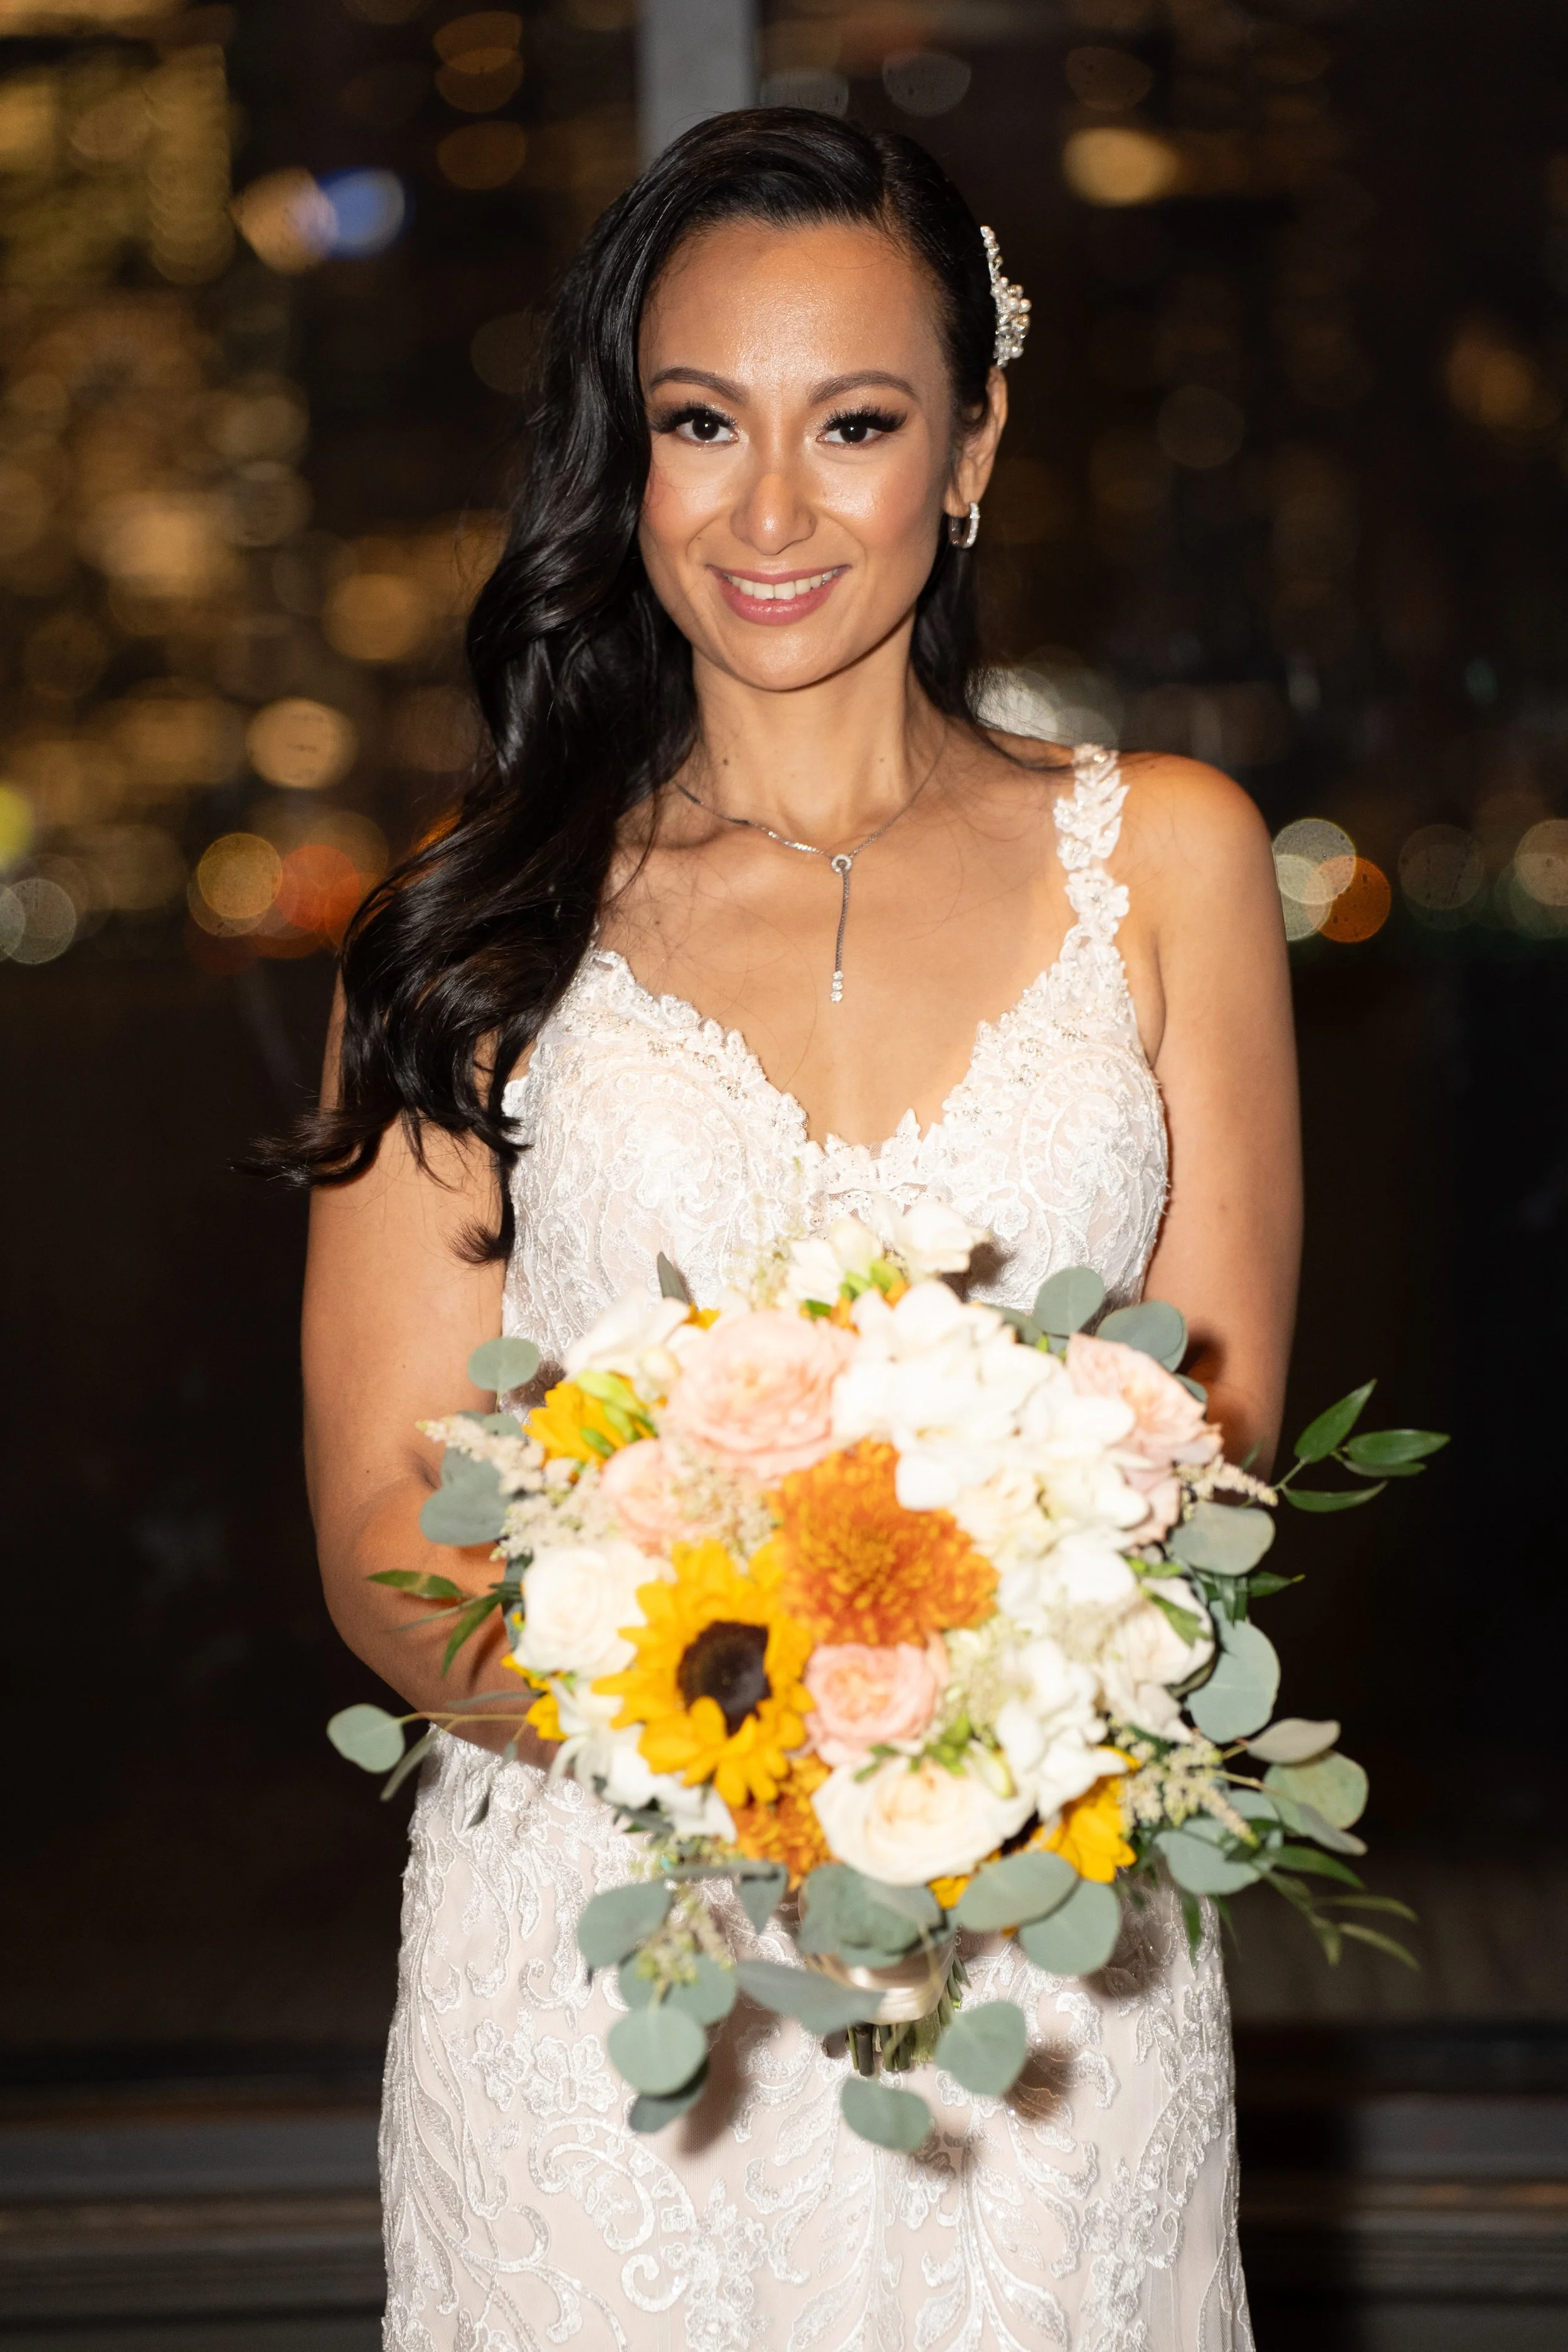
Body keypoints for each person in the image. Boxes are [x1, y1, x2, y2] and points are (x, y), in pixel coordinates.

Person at [296, 109, 1298, 2352]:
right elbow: (381, 1516)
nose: (767, 510)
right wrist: (741, 1744)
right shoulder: (470, 918)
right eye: (696, 425)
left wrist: (959, 1733)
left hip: (1045, 1964)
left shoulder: (1173, 860)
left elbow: (1205, 1431)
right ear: (623, 454)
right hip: (602, 1979)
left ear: (972, 440)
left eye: (851, 423)